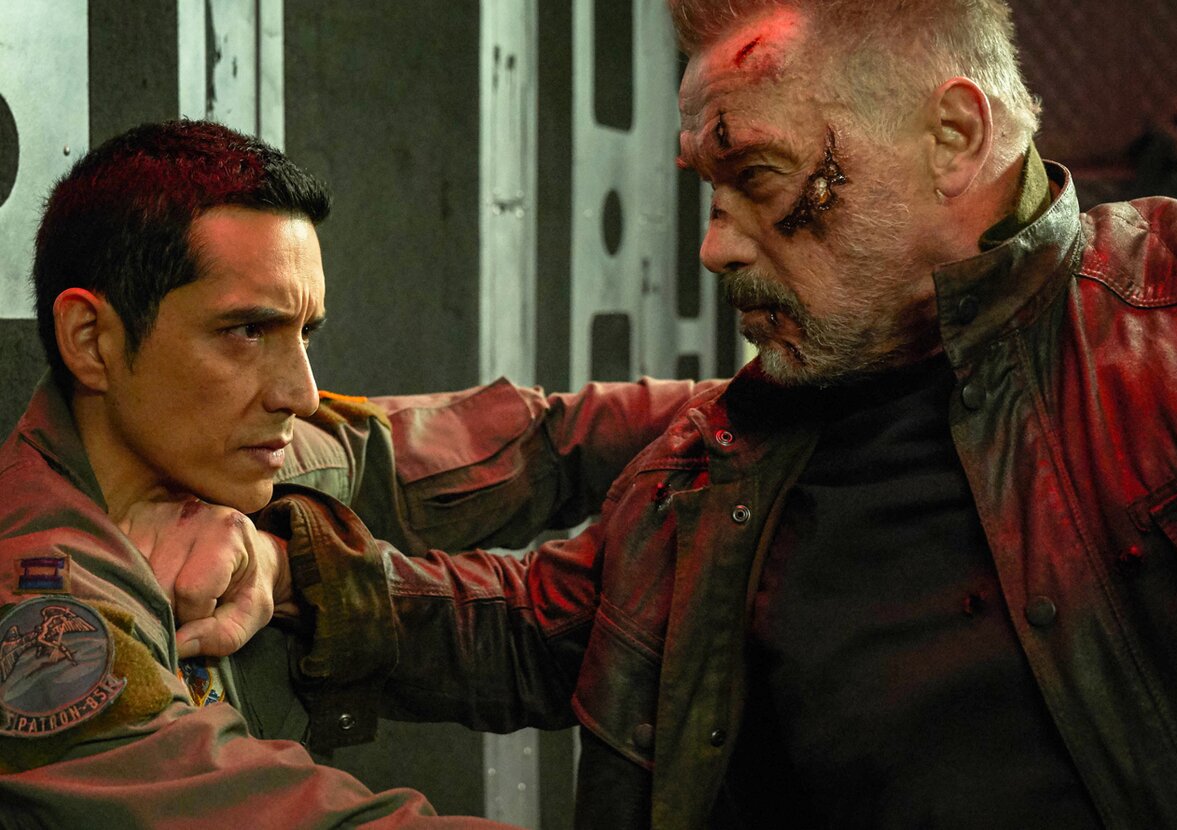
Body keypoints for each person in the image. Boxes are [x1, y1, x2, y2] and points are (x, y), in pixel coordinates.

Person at [248, 1, 1177, 827]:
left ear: (952, 137)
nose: (716, 247)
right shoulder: (736, 453)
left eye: (759, 177)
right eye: (713, 189)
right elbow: (548, 627)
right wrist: (282, 575)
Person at [0, 119, 701, 826]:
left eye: (304, 333)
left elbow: (538, 443)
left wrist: (755, 407)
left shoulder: (227, 457)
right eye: (247, 332)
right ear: (91, 341)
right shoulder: (40, 611)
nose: (301, 393)